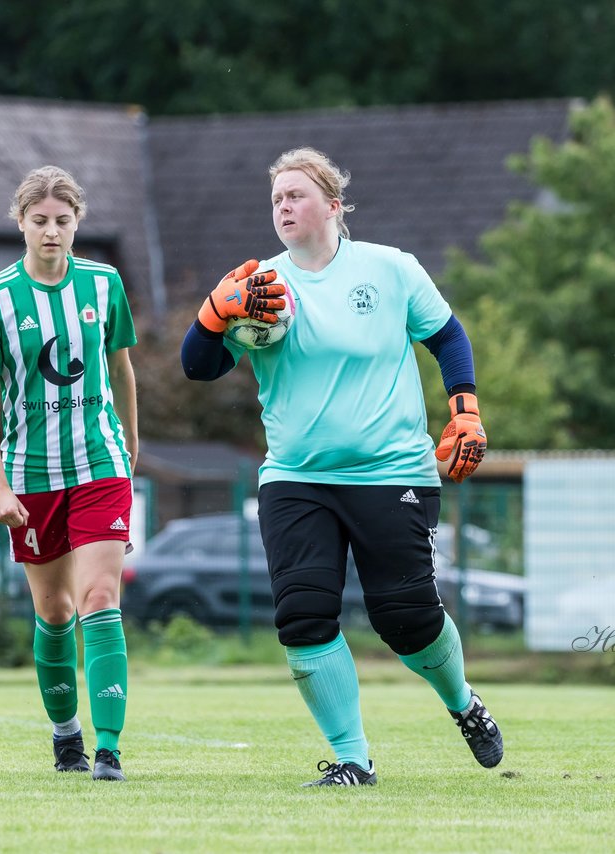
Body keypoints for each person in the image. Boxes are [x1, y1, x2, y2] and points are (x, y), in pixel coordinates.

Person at [180, 146, 501, 787]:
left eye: (296, 195)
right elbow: (200, 366)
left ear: (333, 204)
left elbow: (448, 336)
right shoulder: (260, 287)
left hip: (393, 472)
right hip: (297, 477)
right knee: (303, 614)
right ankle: (353, 760)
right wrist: (213, 316)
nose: (283, 207)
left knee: (405, 620)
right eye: (275, 199)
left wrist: (464, 409)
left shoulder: (390, 270)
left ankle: (463, 703)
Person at [0, 165, 138, 782]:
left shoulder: (106, 284)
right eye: (40, 221)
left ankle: (109, 748)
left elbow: (123, 369)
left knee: (99, 598)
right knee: (56, 611)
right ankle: (67, 735)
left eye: (63, 221)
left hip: (100, 464)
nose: (52, 232)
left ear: (77, 223)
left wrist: (131, 442)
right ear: (21, 224)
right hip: (30, 477)